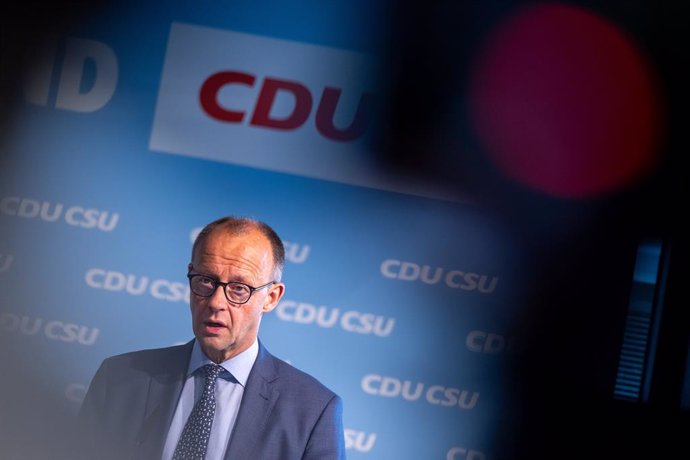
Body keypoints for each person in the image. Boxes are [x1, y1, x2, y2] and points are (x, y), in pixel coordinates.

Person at [78, 216, 345, 459]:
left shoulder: (313, 411)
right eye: (205, 281)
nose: (216, 302)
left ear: (271, 298)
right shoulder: (119, 379)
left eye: (239, 289)